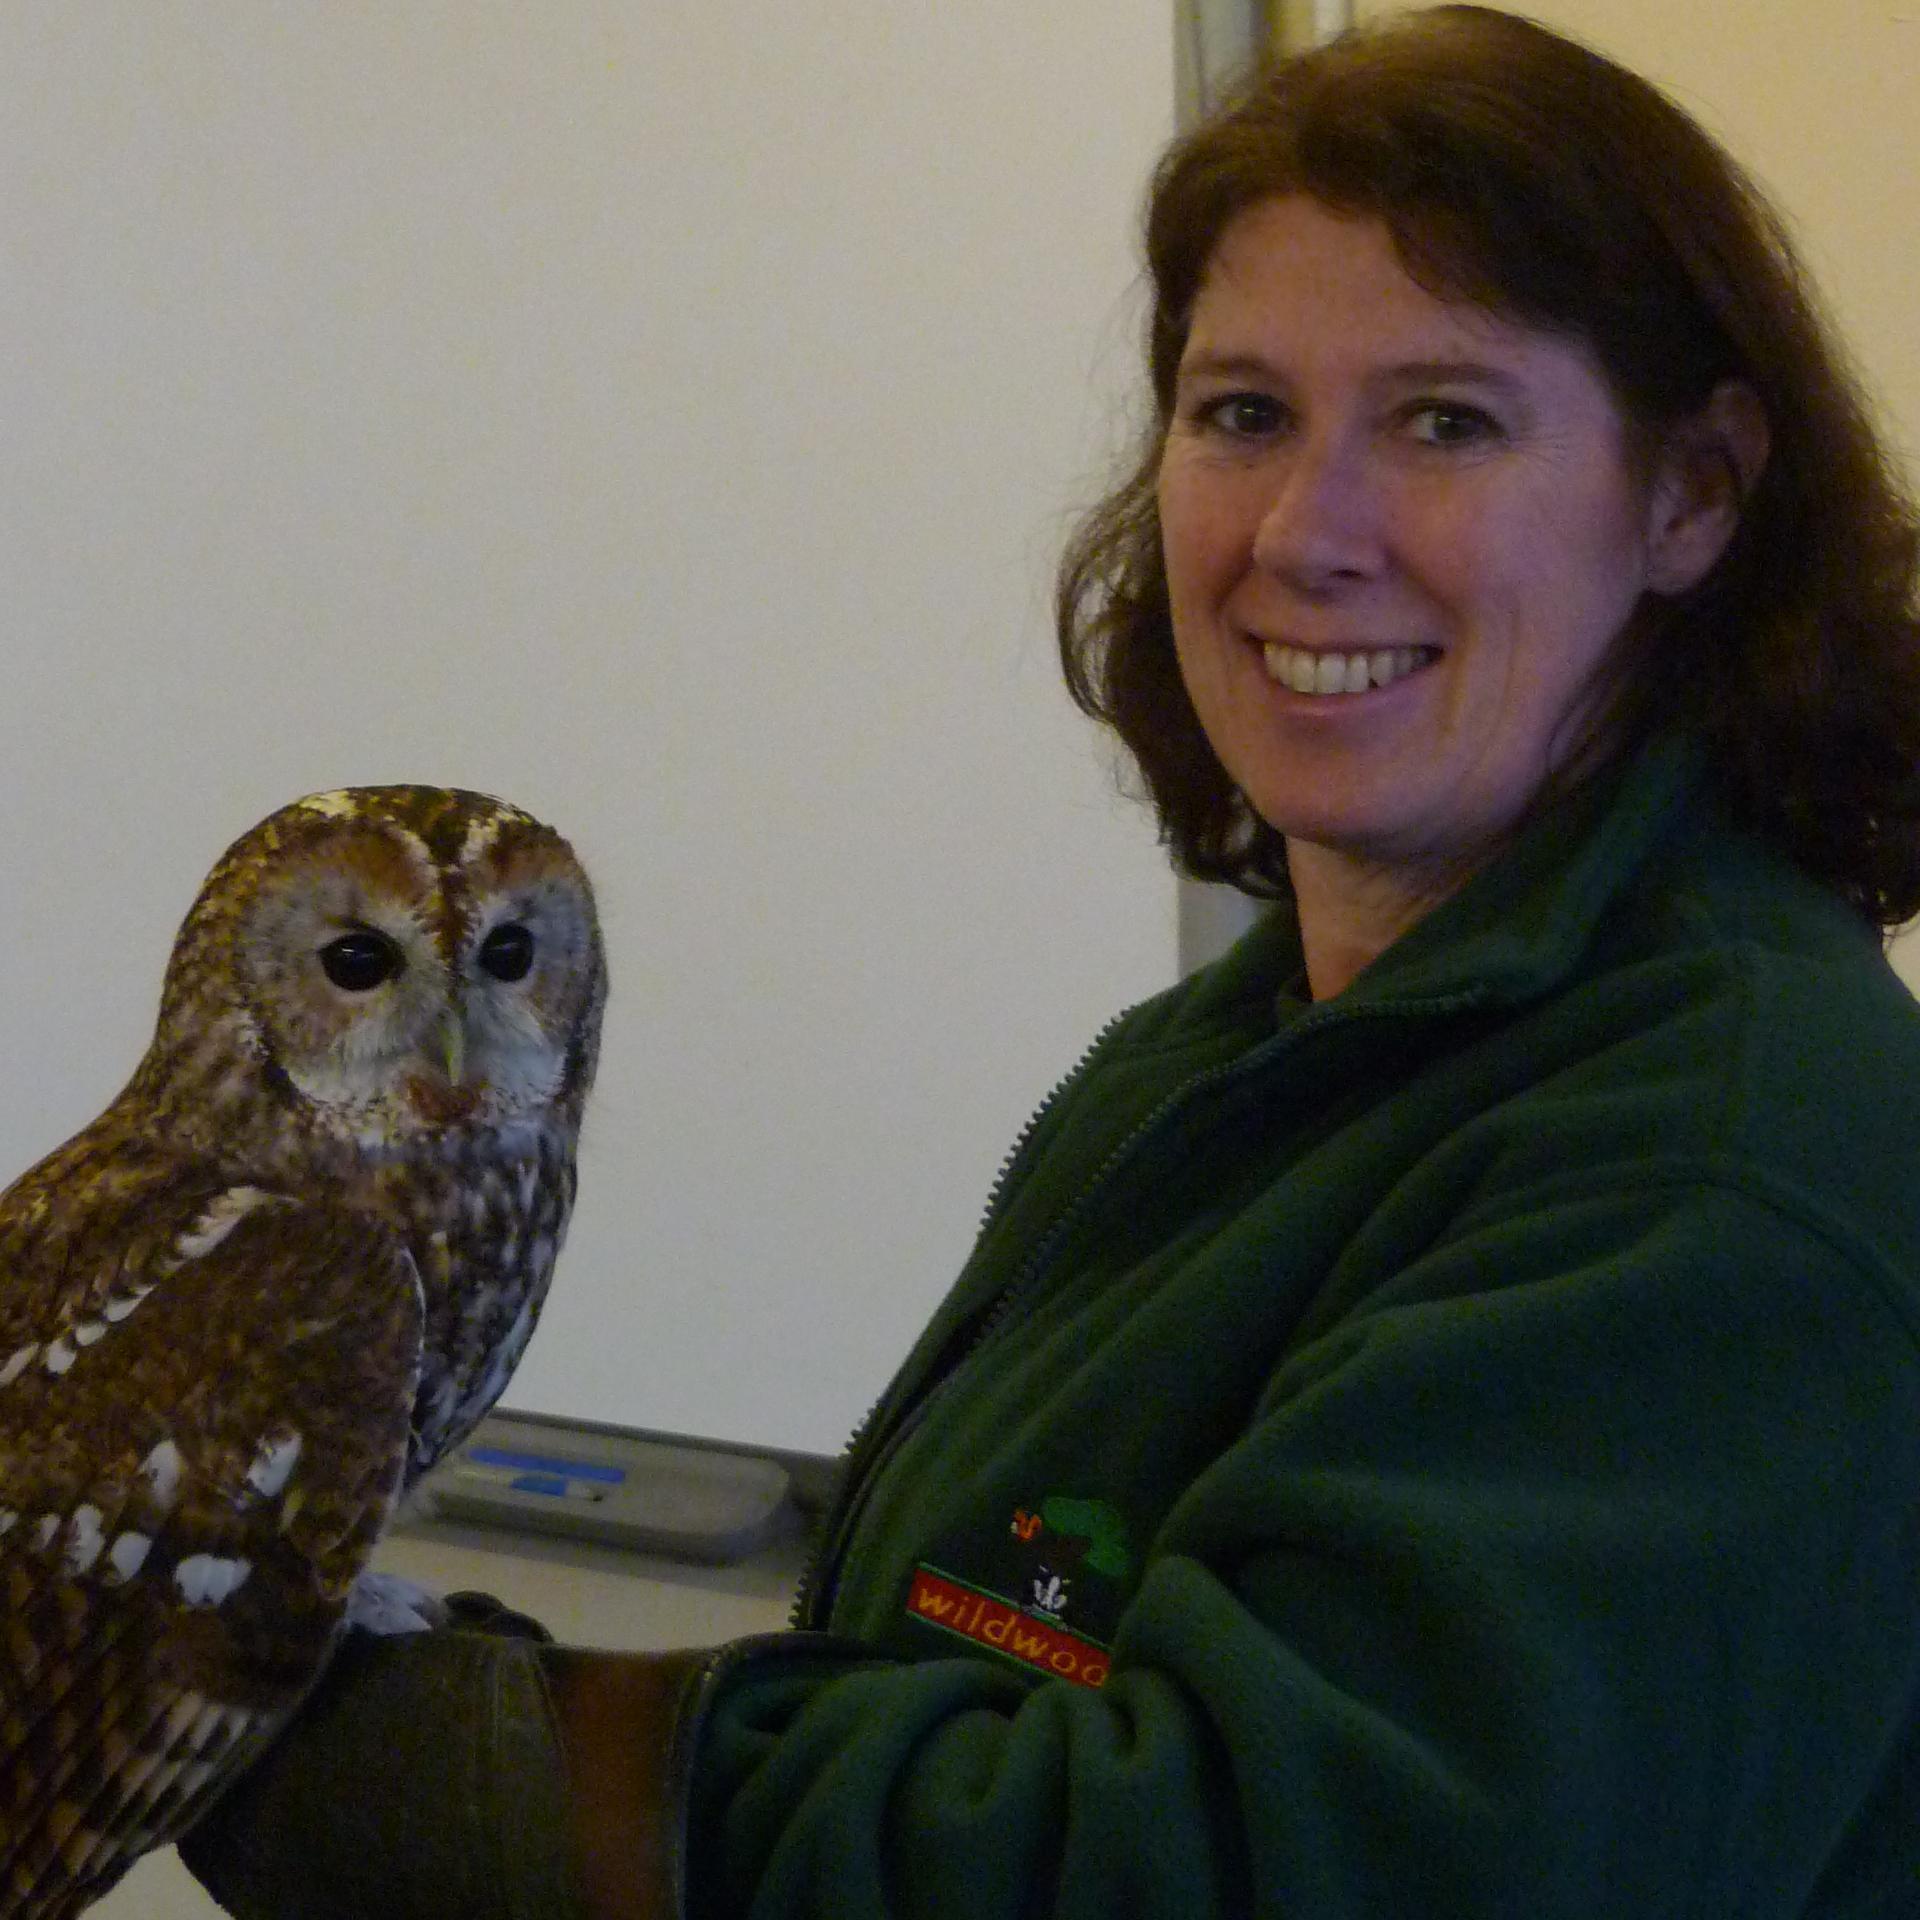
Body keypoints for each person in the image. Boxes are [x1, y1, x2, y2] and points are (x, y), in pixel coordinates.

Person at [181, 6, 1920, 1914]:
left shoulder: (1717, 1167)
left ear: (1694, 496)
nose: (1300, 532)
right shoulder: (1230, 1060)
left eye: (1445, 420)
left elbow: (1258, 1870)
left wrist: (528, 1793)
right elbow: (973, 1659)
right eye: (1241, 412)